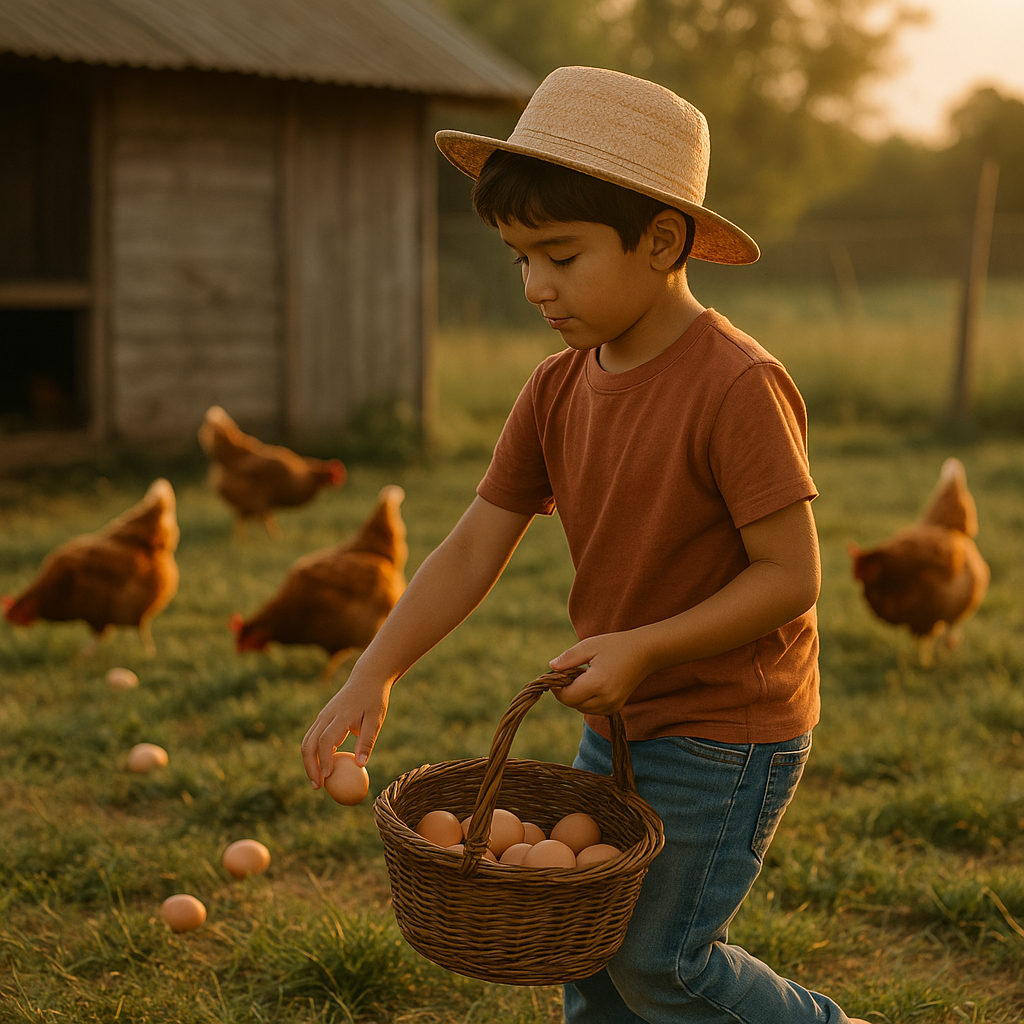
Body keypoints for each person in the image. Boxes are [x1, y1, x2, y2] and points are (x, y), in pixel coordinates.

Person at [301, 66, 868, 1024]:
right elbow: (476, 543)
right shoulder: (556, 387)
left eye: (559, 255)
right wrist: (375, 671)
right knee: (586, 943)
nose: (535, 286)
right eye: (519, 259)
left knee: (659, 963)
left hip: (727, 725)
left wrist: (645, 645)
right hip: (618, 712)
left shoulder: (735, 386)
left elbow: (791, 576)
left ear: (660, 240)